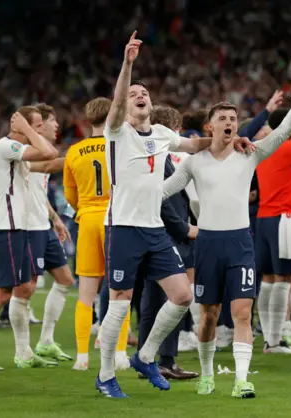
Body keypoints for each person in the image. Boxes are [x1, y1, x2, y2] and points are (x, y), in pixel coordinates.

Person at [96, 32, 250, 398]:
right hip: (124, 226)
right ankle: (105, 376)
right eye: (134, 93)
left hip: (154, 229)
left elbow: (196, 144)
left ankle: (146, 356)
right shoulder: (116, 131)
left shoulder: (163, 132)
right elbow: (117, 103)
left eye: (143, 92)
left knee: (182, 296)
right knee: (120, 299)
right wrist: (128, 64)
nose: (139, 95)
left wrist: (231, 140)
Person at [163, 78, 291, 398]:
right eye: (223, 119)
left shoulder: (250, 154)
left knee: (242, 312)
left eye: (233, 119)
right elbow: (165, 191)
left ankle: (242, 380)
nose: (229, 123)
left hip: (241, 243)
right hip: (208, 244)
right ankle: (206, 375)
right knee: (209, 317)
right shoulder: (194, 162)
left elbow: (284, 131)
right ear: (209, 126)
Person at [0, 107, 59, 371]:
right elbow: (49, 152)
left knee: (23, 288)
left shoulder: (18, 153)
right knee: (2, 291)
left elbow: (50, 159)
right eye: (36, 125)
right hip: (6, 227)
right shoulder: (6, 146)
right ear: (18, 126)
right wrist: (28, 130)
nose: (40, 130)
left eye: (40, 126)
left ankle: (24, 353)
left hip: (19, 228)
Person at [64, 97, 135, 371]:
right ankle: (119, 352)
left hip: (88, 220)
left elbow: (70, 196)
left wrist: (85, 209)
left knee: (86, 293)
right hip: (115, 219)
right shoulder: (120, 147)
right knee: (121, 290)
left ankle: (82, 356)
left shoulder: (73, 152)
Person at [136, 105, 199, 380]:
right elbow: (162, 200)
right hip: (169, 234)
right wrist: (184, 228)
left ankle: (144, 358)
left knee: (151, 301)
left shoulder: (152, 155)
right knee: (175, 299)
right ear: (172, 128)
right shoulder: (159, 156)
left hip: (152, 233)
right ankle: (166, 360)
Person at [255, 107, 291, 355]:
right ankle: (275, 342)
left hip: (264, 217)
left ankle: (269, 338)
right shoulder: (290, 148)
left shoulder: (262, 148)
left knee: (267, 279)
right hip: (284, 218)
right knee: (284, 278)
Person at [24, 103, 74, 362]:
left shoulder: (40, 154)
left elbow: (38, 193)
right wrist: (85, 154)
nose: (57, 126)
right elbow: (48, 166)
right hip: (27, 227)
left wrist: (55, 219)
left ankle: (45, 341)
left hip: (44, 226)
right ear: (39, 125)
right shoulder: (27, 153)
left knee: (65, 279)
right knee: (25, 288)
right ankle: (22, 350)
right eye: (52, 121)